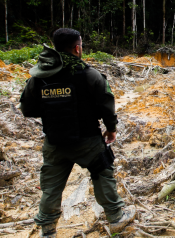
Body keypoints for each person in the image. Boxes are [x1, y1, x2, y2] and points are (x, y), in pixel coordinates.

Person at [19, 28, 135, 238]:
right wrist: (111, 129)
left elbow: (27, 109)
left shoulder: (39, 77)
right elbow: (106, 106)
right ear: (77, 48)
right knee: (103, 174)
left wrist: (51, 110)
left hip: (55, 142)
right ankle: (116, 218)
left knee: (51, 186)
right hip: (88, 141)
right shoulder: (89, 75)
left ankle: (47, 230)